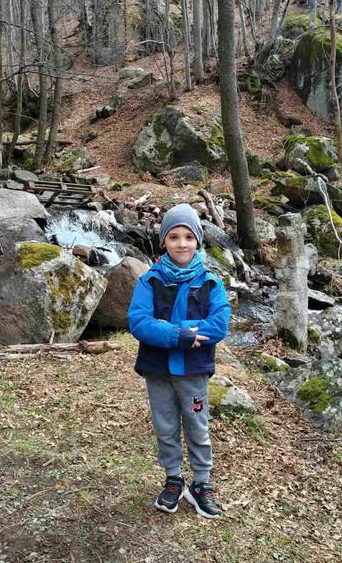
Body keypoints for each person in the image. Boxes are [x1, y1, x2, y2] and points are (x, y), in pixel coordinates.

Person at [128, 203, 231, 519]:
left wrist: (171, 330)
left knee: (198, 427)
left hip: (193, 371)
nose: (182, 244)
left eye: (188, 237)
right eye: (174, 237)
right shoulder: (150, 281)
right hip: (158, 370)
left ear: (197, 240)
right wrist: (180, 335)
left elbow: (219, 324)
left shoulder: (210, 282)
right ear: (164, 242)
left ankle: (201, 484)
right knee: (166, 426)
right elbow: (139, 321)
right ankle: (173, 478)